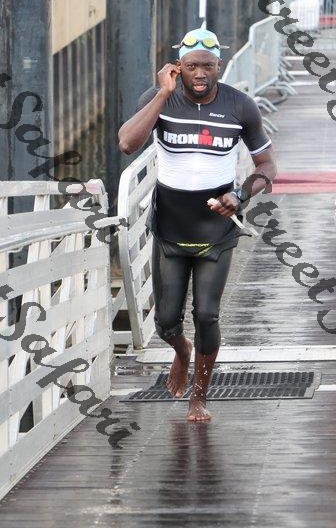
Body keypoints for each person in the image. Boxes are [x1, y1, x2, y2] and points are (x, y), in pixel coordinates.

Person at [118, 28, 277, 422]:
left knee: (207, 314)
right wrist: (162, 93)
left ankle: (199, 397)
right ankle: (182, 351)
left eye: (208, 66)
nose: (201, 74)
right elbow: (127, 144)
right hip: (170, 227)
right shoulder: (159, 98)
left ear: (219, 65)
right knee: (166, 322)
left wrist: (241, 194)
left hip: (215, 227)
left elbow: (266, 165)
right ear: (179, 67)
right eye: (192, 66)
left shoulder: (240, 106)